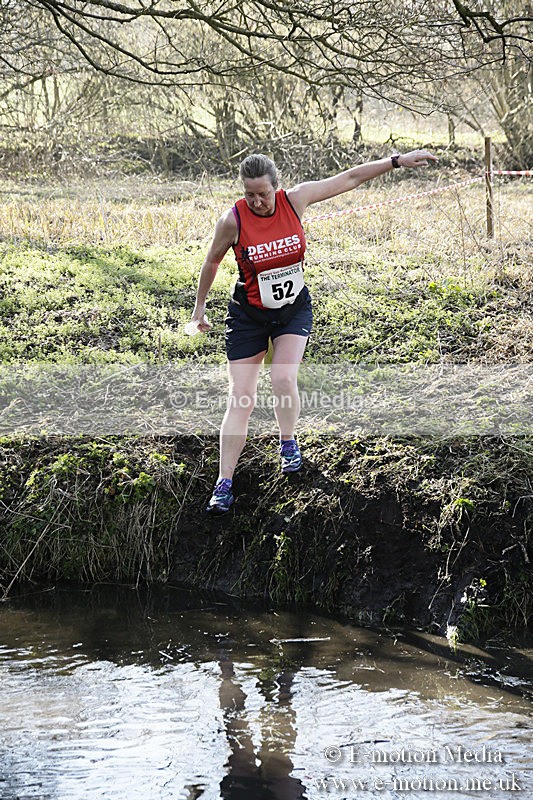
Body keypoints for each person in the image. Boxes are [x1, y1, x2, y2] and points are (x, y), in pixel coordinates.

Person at [190, 149, 438, 513]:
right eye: (249, 194)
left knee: (283, 379)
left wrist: (396, 162)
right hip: (248, 315)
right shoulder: (232, 220)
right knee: (241, 396)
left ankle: (287, 442)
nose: (257, 201)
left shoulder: (296, 200)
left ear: (277, 186)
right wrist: (199, 308)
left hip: (292, 311)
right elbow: (212, 260)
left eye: (263, 193)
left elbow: (350, 178)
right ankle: (224, 482)